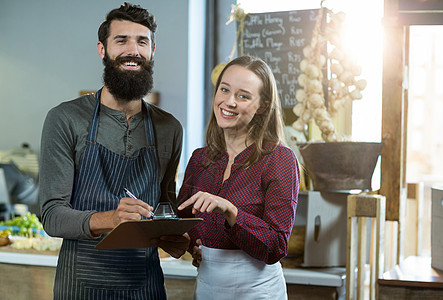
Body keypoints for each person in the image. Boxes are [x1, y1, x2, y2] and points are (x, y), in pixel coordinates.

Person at [39, 3, 188, 299]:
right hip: (79, 284)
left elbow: (165, 207)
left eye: (141, 41)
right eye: (122, 40)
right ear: (102, 49)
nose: (132, 50)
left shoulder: (169, 128)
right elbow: (52, 216)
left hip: (145, 285)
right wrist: (112, 219)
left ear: (152, 51)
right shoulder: (65, 119)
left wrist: (175, 237)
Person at [177, 55, 301, 299]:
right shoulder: (200, 158)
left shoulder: (280, 159)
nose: (229, 102)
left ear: (262, 106)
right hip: (207, 287)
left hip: (258, 290)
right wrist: (192, 245)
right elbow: (182, 220)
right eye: (224, 90)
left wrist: (231, 212)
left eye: (243, 96)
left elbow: (276, 246)